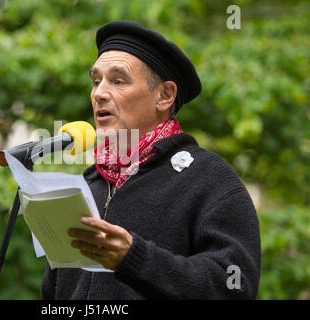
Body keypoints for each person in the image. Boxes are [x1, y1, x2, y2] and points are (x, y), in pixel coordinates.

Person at [41, 20, 261, 299]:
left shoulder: (211, 181)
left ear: (165, 95)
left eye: (118, 80)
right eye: (96, 81)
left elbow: (233, 286)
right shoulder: (87, 184)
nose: (99, 93)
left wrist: (135, 259)